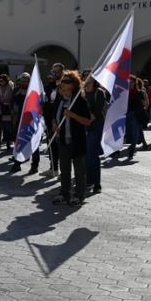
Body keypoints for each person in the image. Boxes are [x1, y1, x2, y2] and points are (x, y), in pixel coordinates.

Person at [51, 71, 92, 206]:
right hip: (63, 141)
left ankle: (79, 195)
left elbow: (87, 121)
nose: (66, 92)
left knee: (79, 170)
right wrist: (54, 124)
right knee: (65, 170)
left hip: (77, 141)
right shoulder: (58, 100)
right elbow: (53, 116)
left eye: (69, 89)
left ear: (74, 88)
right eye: (63, 89)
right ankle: (64, 194)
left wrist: (72, 115)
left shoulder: (79, 101)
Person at [83, 74, 108, 194]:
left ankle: (97, 183)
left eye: (89, 76)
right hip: (82, 126)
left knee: (93, 155)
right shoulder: (80, 92)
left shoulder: (99, 93)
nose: (86, 78)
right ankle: (88, 180)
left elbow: (97, 111)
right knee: (85, 155)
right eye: (85, 76)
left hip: (95, 126)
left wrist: (88, 121)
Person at [0, 73, 15, 150]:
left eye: (2, 80)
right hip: (0, 109)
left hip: (8, 109)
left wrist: (1, 100)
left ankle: (8, 144)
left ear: (6, 80)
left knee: (7, 127)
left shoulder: (10, 87)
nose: (1, 82)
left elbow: (10, 99)